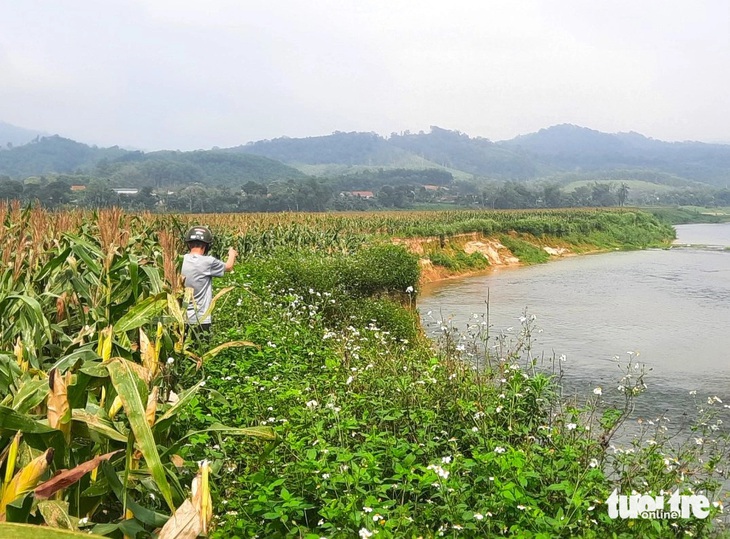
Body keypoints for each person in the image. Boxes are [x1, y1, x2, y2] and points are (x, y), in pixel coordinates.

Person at [181, 226, 237, 336]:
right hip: (201, 319)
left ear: (189, 244)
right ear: (206, 246)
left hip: (180, 318)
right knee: (199, 352)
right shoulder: (208, 262)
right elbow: (229, 267)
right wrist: (232, 254)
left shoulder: (179, 260)